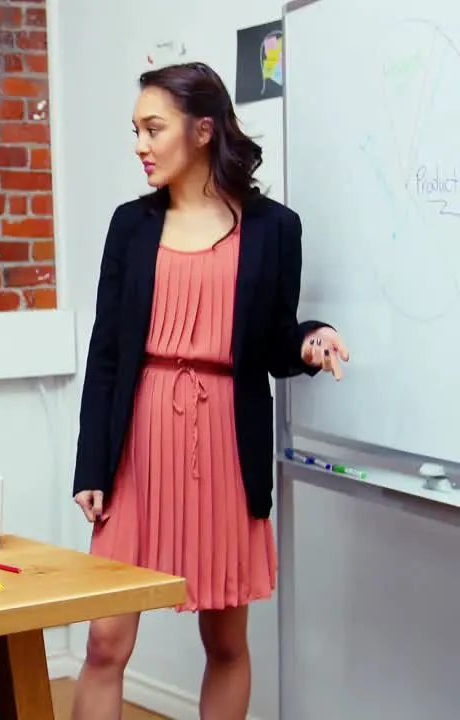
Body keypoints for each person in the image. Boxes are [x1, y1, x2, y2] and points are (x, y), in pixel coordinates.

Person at [70, 62, 351, 720]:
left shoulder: (275, 228)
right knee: (105, 641)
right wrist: (92, 464)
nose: (140, 144)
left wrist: (311, 341)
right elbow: (106, 350)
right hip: (138, 443)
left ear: (201, 130)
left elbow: (276, 340)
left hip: (226, 442)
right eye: (135, 130)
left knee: (225, 641)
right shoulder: (130, 226)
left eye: (152, 128)